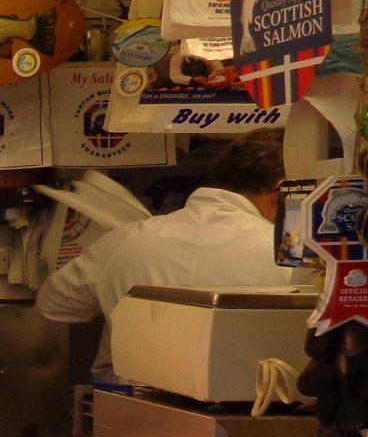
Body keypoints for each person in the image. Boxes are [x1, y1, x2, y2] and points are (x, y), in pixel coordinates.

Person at [35, 134, 288, 381]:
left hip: (130, 411)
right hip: (248, 412)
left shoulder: (126, 240)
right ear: (280, 192)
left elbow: (53, 305)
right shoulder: (287, 253)